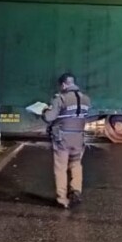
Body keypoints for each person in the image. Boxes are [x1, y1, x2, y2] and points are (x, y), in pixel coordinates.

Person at [42, 73, 92, 209]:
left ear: (63, 85)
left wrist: (44, 110)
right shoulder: (86, 99)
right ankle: (76, 190)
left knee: (61, 168)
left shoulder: (61, 98)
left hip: (62, 139)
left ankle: (62, 199)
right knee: (76, 164)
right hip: (79, 138)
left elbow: (49, 117)